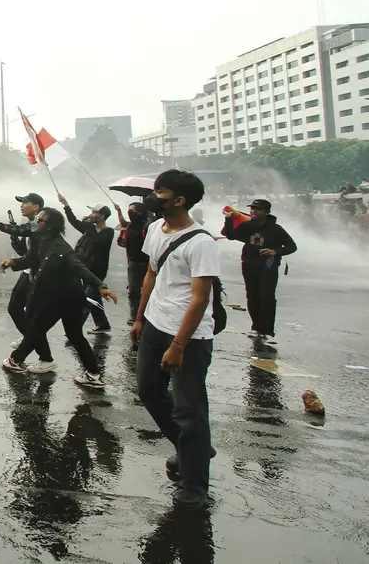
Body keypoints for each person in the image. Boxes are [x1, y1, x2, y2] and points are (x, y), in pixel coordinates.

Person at [132, 169, 220, 508]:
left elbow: (200, 299)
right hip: (155, 324)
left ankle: (195, 486)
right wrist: (139, 318)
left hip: (190, 336)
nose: (153, 198)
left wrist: (179, 345)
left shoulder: (201, 243)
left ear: (180, 200)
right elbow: (151, 273)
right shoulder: (155, 228)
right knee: (149, 392)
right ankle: (192, 448)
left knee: (189, 411)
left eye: (160, 193)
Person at [0, 207, 117, 388]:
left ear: (51, 226)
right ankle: (93, 374)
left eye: (41, 220)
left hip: (65, 297)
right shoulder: (40, 239)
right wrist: (12, 262)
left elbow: (79, 267)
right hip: (55, 295)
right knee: (60, 332)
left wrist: (101, 286)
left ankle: (17, 360)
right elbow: (30, 258)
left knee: (44, 329)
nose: (37, 222)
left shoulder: (61, 247)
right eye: (38, 219)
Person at [221, 198, 297, 341]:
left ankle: (268, 330)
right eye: (252, 208)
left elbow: (291, 246)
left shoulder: (276, 229)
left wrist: (274, 251)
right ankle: (256, 327)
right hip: (249, 264)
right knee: (252, 296)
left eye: (258, 209)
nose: (253, 211)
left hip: (268, 267)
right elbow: (230, 235)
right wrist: (228, 219)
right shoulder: (247, 225)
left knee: (266, 297)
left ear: (267, 212)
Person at [0, 192, 45, 345]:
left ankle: (38, 348)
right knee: (15, 308)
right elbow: (22, 251)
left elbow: (19, 232)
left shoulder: (39, 224)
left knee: (31, 313)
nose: (21, 206)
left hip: (40, 274)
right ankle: (30, 337)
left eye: (25, 203)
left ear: (36, 206)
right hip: (29, 272)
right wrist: (14, 235)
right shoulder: (32, 224)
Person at [57, 195, 115, 333]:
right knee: (94, 299)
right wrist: (66, 205)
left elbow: (97, 241)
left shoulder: (108, 232)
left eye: (94, 212)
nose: (91, 214)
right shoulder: (90, 228)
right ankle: (103, 325)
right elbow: (73, 221)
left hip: (97, 272)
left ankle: (74, 330)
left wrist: (89, 225)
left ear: (102, 216)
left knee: (87, 300)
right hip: (85, 268)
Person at [114, 201, 150, 326]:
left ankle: (147, 315)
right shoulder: (129, 226)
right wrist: (118, 211)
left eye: (132, 211)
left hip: (147, 264)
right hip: (133, 263)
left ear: (140, 212)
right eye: (128, 210)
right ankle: (135, 315)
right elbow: (123, 223)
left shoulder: (147, 227)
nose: (130, 213)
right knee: (133, 292)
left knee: (148, 291)